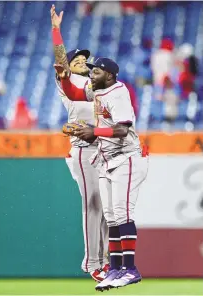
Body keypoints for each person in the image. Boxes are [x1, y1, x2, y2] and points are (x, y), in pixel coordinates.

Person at [56, 56, 149, 291]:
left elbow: (122, 129)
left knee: (122, 213)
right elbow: (75, 94)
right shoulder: (97, 90)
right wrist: (65, 78)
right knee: (111, 216)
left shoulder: (118, 92)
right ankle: (115, 269)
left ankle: (130, 269)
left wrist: (93, 131)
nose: (91, 75)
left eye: (95, 72)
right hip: (107, 161)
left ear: (109, 75)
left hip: (126, 157)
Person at [51, 5, 109, 282]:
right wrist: (55, 31)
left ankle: (109, 260)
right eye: (78, 60)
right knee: (93, 205)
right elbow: (61, 60)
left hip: (105, 150)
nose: (82, 62)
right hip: (84, 151)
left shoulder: (93, 86)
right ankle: (92, 262)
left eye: (85, 60)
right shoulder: (68, 81)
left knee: (109, 207)